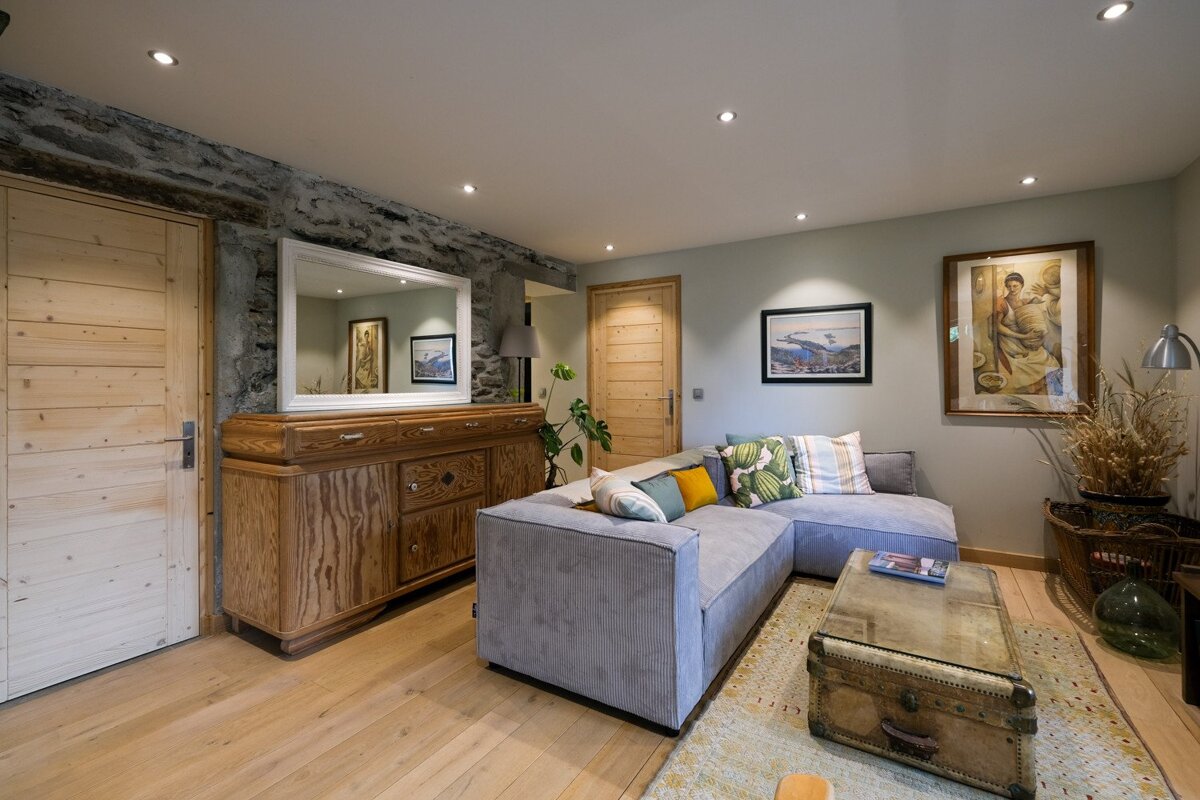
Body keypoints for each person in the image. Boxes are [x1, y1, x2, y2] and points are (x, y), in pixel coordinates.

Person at [992, 271, 1061, 395]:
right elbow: (997, 327)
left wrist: (1045, 293)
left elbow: (1044, 302)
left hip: (1027, 341)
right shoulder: (1001, 302)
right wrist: (1023, 336)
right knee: (1022, 367)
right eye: (1009, 286)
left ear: (1022, 285)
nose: (1012, 289)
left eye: (1015, 286)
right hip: (1010, 342)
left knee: (1050, 361)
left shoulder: (1025, 302)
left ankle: (1049, 394)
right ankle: (1031, 392)